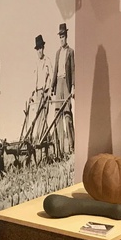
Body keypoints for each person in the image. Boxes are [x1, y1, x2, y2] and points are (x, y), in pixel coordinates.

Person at [50, 23, 75, 154]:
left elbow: (73, 70)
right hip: (58, 84)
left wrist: (73, 87)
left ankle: (72, 146)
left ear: (66, 36)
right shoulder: (57, 53)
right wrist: (51, 87)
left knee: (67, 115)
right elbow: (55, 71)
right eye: (60, 37)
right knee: (57, 116)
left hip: (66, 83)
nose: (61, 39)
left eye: (63, 36)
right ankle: (58, 150)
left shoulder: (71, 52)